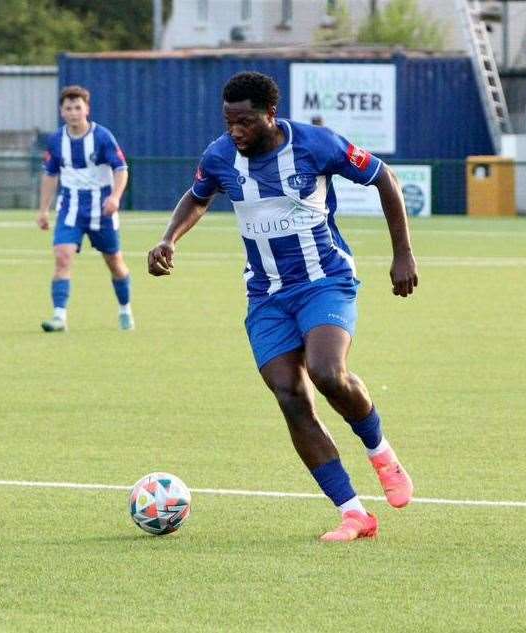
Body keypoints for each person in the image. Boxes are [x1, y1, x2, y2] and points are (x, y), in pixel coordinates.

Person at [147, 72, 417, 542]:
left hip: (324, 281)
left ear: (271, 114)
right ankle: (354, 513)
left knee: (327, 372)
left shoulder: (316, 144)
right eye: (229, 122)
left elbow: (384, 178)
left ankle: (380, 450)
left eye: (245, 122)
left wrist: (402, 253)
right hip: (266, 295)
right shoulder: (220, 156)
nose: (236, 131)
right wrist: (168, 238)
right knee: (291, 397)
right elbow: (197, 196)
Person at [36, 85, 133, 332]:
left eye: (78, 107)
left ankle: (125, 309)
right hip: (70, 210)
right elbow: (50, 175)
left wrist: (115, 197)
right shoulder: (56, 140)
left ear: (86, 109)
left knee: (115, 262)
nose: (73, 112)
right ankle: (59, 316)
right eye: (68, 108)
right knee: (62, 257)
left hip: (103, 211)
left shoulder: (102, 137)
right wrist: (44, 210)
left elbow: (121, 169)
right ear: (61, 111)